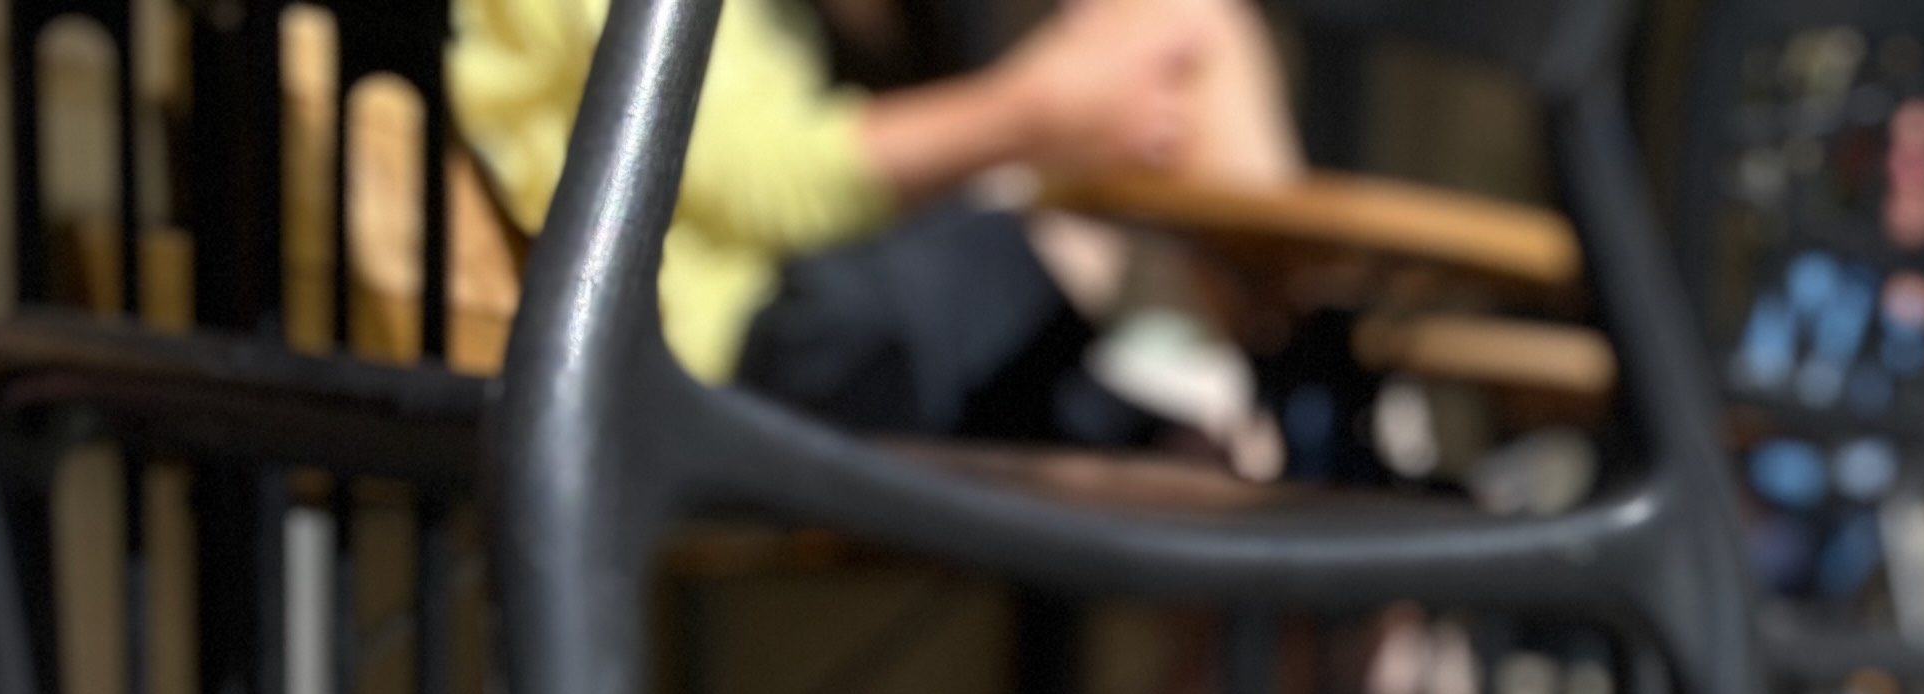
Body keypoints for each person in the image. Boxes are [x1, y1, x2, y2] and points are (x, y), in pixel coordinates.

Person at [453, 0, 1298, 443]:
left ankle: (1248, 379)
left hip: (828, 313)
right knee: (1186, 26)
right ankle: (1255, 374)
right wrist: (1040, 111)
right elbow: (767, 181)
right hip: (736, 348)